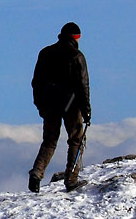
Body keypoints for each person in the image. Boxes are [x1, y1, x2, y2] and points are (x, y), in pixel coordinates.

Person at [29, 21, 91, 193]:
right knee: (76, 139)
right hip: (72, 106)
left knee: (49, 141)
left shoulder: (45, 53)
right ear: (76, 38)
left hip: (49, 105)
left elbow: (36, 82)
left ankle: (36, 173)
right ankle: (71, 179)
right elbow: (83, 85)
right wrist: (86, 109)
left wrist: (39, 104)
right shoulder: (77, 56)